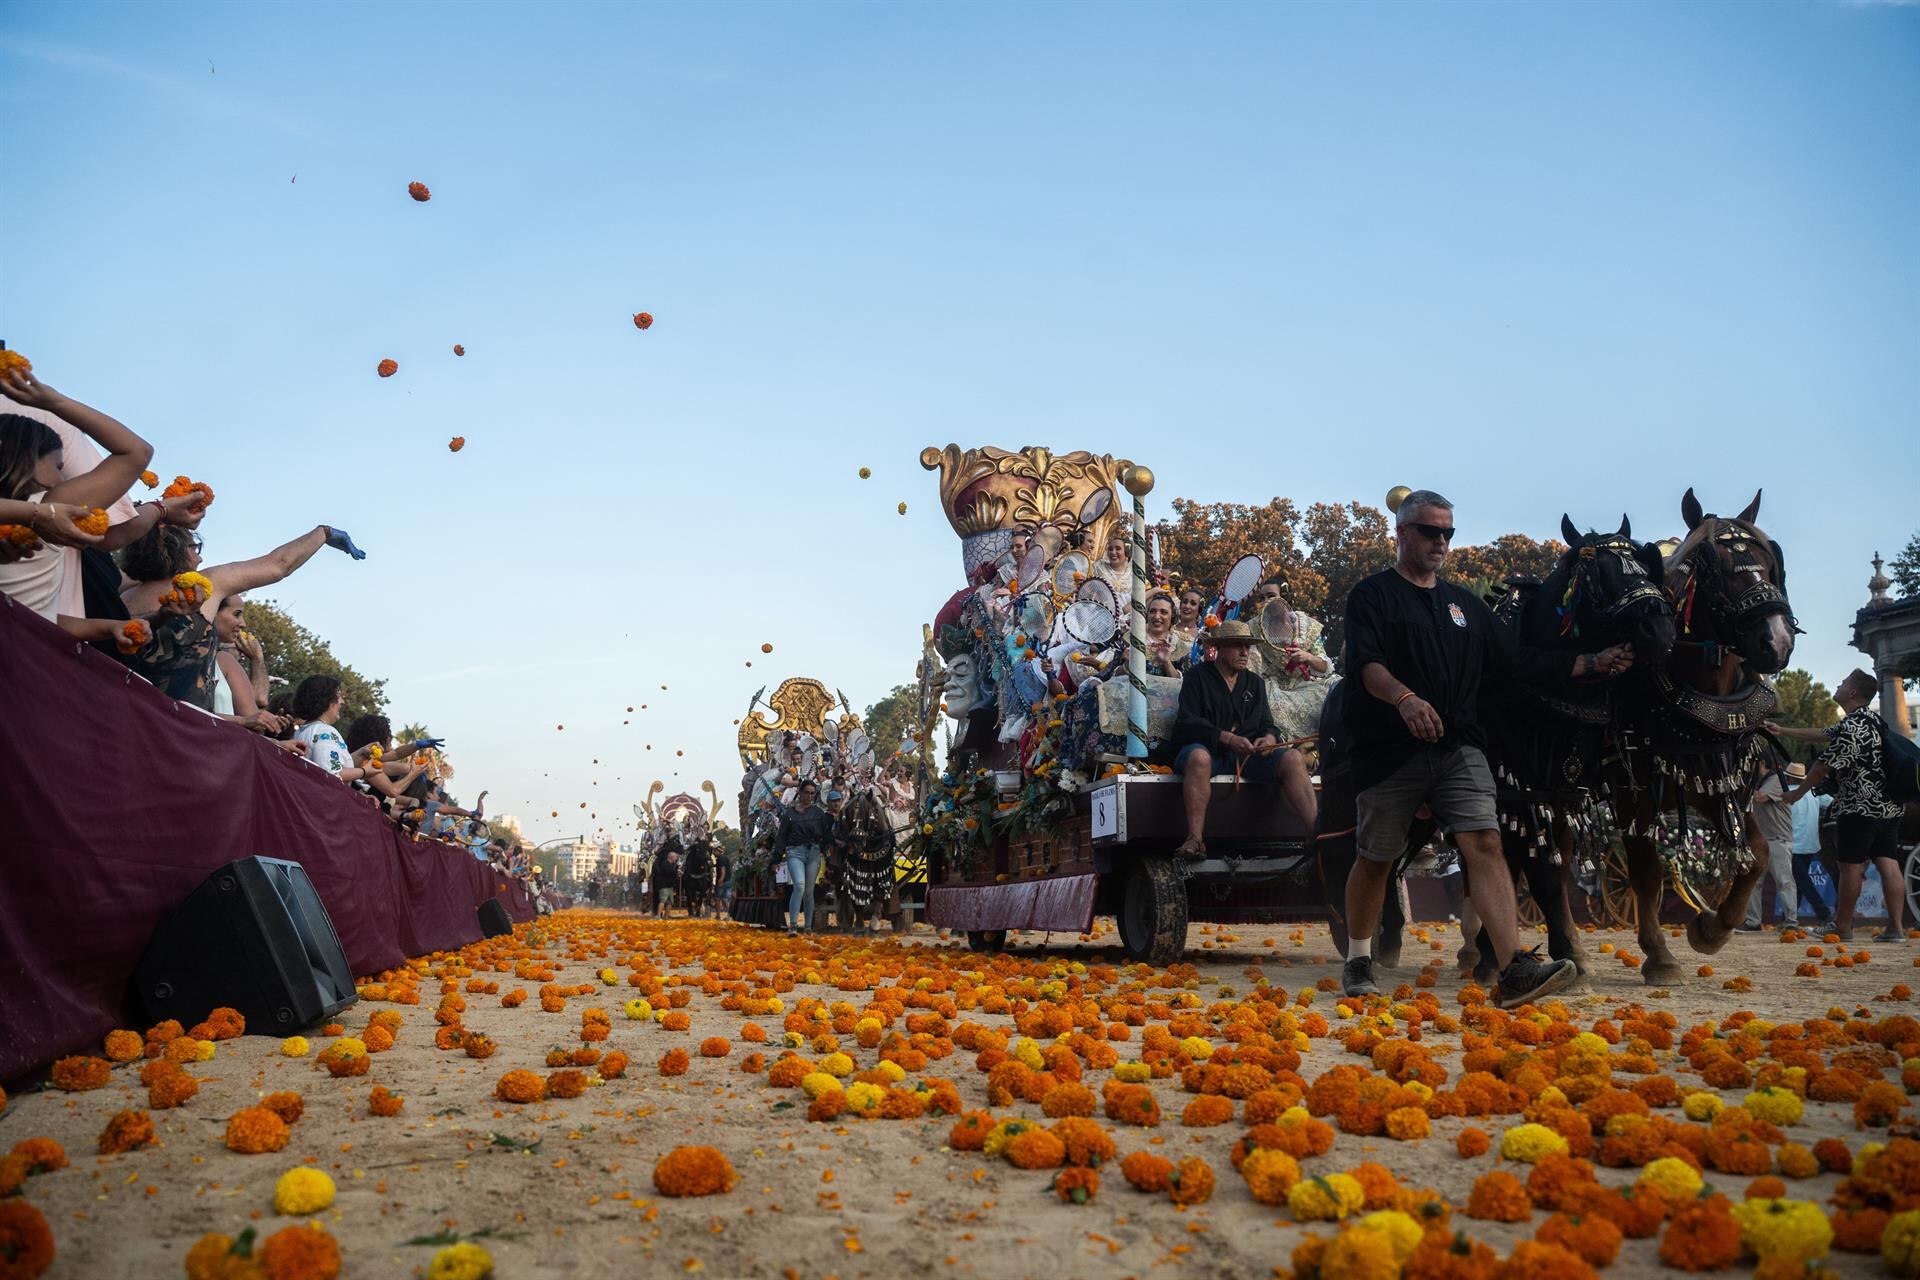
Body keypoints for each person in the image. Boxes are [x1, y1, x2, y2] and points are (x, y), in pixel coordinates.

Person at [1340, 489, 1633, 1006]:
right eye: (1431, 531)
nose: (1441, 542)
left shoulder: (1463, 605)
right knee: (1377, 858)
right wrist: (1404, 700)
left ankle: (1514, 967)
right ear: (1403, 532)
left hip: (1460, 746)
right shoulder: (1373, 595)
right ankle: (1359, 958)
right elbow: (1366, 665)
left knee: (1486, 843)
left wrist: (1589, 663)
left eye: (1449, 533)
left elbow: (1518, 662)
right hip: (1389, 748)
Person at [0, 370, 152, 620]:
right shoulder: (49, 509)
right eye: (58, 467)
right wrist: (53, 401)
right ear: (28, 461)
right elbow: (136, 451)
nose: (62, 479)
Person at [1772, 669, 1908, 942]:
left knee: (1850, 866)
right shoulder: (1871, 721)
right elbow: (1820, 734)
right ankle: (1896, 929)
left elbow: (1822, 768)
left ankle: (1842, 927)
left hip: (1858, 807)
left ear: (1853, 693)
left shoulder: (1851, 727)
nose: (1838, 685)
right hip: (1889, 806)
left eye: (1843, 683)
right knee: (1888, 863)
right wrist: (1781, 729)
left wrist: (1796, 793)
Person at [1170, 620, 1318, 857]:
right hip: (1209, 753)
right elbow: (1187, 722)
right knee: (1198, 757)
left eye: (1247, 647)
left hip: (1247, 758)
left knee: (1291, 757)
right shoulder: (1196, 677)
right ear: (1219, 648)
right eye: (1237, 646)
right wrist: (1226, 738)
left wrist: (1269, 738)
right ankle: (1195, 839)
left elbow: (1267, 724)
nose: (1244, 652)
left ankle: (1317, 835)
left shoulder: (1255, 683)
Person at [1737, 751, 1799, 932]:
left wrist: (1739, 784)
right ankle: (1753, 921)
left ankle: (1791, 923)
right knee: (1754, 882)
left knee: (1784, 882)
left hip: (1778, 839)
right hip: (1763, 840)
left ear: (1762, 762)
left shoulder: (1776, 780)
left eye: (1753, 763)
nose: (1750, 767)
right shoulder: (1762, 782)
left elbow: (1759, 798)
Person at [289, 674, 379, 784]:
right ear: (327, 700)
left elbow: (332, 763)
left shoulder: (302, 731)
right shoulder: (325, 732)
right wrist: (364, 771)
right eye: (338, 696)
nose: (342, 702)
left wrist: (362, 753)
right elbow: (331, 774)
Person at [776, 779, 834, 934]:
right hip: (795, 852)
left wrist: (834, 848)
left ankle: (808, 927)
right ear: (800, 793)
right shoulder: (789, 814)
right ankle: (793, 926)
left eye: (812, 793)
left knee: (809, 890)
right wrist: (775, 859)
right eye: (806, 792)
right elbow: (781, 836)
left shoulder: (818, 813)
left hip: (814, 853)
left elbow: (827, 835)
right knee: (799, 885)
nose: (809, 796)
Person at [1784, 762, 1837, 931]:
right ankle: (1791, 919)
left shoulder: (1786, 795)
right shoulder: (1815, 794)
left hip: (1792, 845)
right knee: (1799, 882)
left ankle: (1824, 914)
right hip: (1810, 844)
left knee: (1803, 883)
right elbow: (1833, 803)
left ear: (1789, 776)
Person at [1090, 528, 1134, 611]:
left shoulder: (1134, 574)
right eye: (1110, 549)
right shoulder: (1098, 567)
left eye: (1118, 549)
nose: (1113, 552)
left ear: (1126, 552)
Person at [1144, 589, 1185, 677]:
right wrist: (1128, 664)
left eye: (1163, 612)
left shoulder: (1179, 644)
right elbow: (1112, 675)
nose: (1157, 616)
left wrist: (1166, 661)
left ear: (1172, 615)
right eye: (1152, 611)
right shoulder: (1131, 638)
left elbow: (1185, 683)